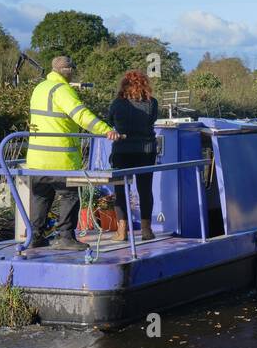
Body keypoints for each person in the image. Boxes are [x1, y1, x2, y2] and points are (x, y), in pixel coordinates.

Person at [26, 56, 121, 250]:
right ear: (67, 71)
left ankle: (34, 237)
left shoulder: (39, 88)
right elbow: (81, 115)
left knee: (40, 197)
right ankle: (65, 237)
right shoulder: (62, 90)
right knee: (70, 195)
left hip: (36, 158)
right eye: (72, 71)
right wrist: (106, 130)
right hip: (59, 158)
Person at [107, 69, 160, 242]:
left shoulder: (117, 103)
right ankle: (146, 231)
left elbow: (110, 121)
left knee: (121, 191)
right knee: (145, 190)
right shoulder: (152, 103)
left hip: (122, 151)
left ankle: (122, 232)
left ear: (124, 85)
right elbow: (152, 120)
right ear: (145, 85)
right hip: (145, 151)